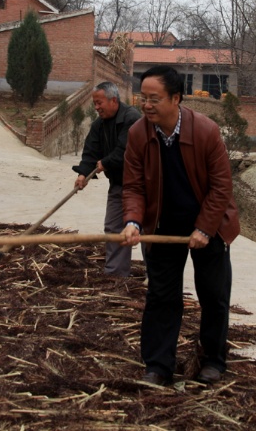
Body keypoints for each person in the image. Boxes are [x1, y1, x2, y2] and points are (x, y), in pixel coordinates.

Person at [120, 66, 240, 386]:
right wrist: (133, 220)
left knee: (213, 294)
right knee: (161, 296)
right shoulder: (137, 134)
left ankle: (213, 360)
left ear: (175, 98)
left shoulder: (205, 131)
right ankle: (158, 366)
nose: (146, 105)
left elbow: (221, 187)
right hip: (161, 227)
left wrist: (204, 228)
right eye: (142, 98)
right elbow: (133, 186)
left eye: (154, 99)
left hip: (209, 224)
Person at [73, 81, 141, 276]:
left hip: (142, 186)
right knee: (113, 227)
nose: (96, 108)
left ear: (113, 100)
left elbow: (125, 150)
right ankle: (116, 275)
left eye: (99, 103)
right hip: (118, 184)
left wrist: (106, 162)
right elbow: (90, 152)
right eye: (94, 103)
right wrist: (83, 174)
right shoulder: (99, 125)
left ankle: (156, 276)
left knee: (146, 231)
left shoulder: (132, 118)